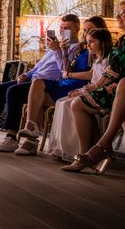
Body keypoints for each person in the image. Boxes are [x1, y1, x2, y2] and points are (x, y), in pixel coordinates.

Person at [0, 14, 85, 152]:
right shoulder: (55, 46)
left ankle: (11, 137)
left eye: (67, 28)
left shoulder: (76, 49)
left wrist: (58, 50)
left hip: (46, 84)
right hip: (33, 78)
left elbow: (63, 71)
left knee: (13, 92)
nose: (62, 31)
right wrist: (26, 74)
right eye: (61, 27)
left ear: (77, 29)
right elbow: (40, 65)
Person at [13, 16, 104, 155]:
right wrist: (62, 52)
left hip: (78, 83)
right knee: (37, 84)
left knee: (36, 92)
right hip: (66, 80)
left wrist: (68, 71)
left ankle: (30, 139)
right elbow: (65, 69)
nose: (87, 34)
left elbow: (90, 74)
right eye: (85, 30)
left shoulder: (94, 50)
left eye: (91, 30)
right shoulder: (81, 47)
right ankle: (31, 129)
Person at [62, 0, 125, 173]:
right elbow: (111, 70)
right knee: (75, 103)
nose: (118, 17)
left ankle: (99, 148)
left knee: (77, 102)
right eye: (117, 13)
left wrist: (90, 88)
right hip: (116, 86)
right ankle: (87, 152)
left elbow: (115, 70)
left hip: (118, 87)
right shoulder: (124, 39)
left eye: (122, 13)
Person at [46, 27, 112, 161]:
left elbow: (100, 84)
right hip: (91, 90)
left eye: (92, 42)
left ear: (103, 43)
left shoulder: (108, 61)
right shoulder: (96, 60)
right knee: (61, 101)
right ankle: (62, 148)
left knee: (69, 104)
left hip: (101, 95)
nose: (88, 45)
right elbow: (93, 81)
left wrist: (81, 91)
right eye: (87, 41)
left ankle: (76, 150)